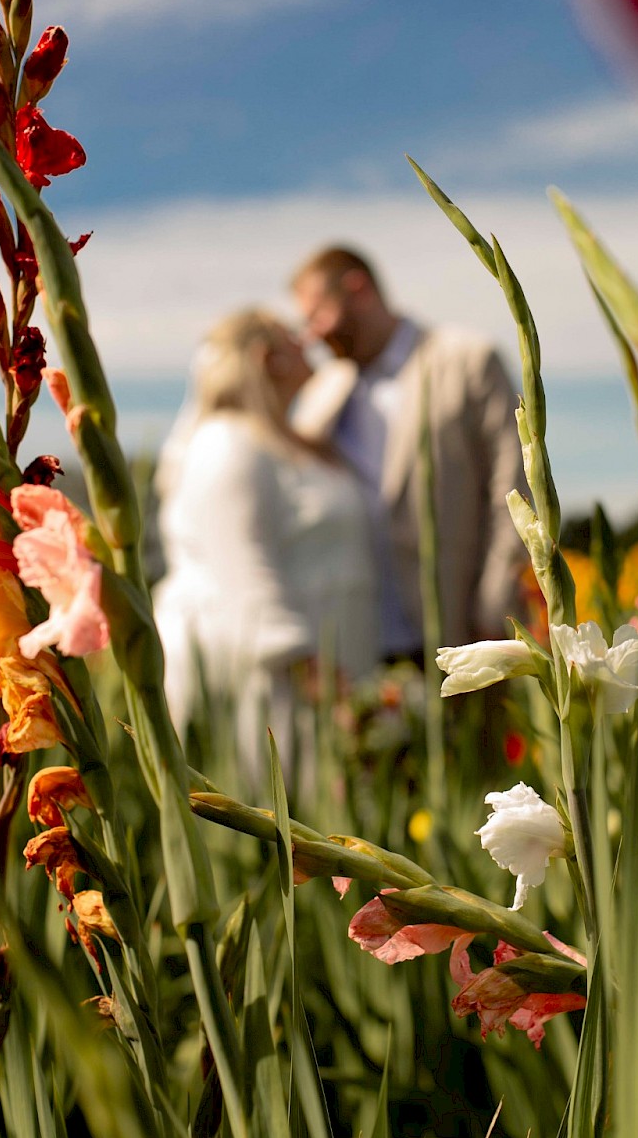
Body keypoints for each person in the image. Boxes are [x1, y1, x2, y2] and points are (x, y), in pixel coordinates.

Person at [152, 308, 378, 787]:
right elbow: (243, 570)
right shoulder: (226, 442)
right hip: (277, 689)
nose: (308, 343)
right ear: (266, 357)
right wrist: (317, 677)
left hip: (324, 680)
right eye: (294, 338)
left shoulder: (284, 440)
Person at [290, 245, 527, 663]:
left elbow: (513, 488)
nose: (312, 335)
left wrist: (496, 607)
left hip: (461, 629)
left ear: (357, 288)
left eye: (316, 315)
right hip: (360, 644)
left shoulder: (468, 359)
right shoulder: (320, 394)